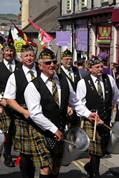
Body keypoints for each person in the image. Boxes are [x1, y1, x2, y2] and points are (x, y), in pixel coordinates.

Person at [24, 47, 100, 178]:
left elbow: (75, 102)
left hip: (60, 127)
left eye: (54, 62)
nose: (52, 65)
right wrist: (53, 129)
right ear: (40, 66)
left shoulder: (64, 81)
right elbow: (35, 114)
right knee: (45, 167)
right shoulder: (33, 86)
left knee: (56, 166)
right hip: (40, 130)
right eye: (48, 63)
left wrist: (88, 114)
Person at [76, 56, 119, 178]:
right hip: (91, 121)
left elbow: (116, 97)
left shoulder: (109, 79)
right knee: (95, 150)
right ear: (90, 69)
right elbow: (79, 104)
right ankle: (95, 174)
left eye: (102, 66)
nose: (101, 69)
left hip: (105, 119)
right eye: (97, 67)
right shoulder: (82, 83)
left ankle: (89, 167)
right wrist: (88, 115)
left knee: (103, 149)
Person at [4, 44, 40, 178]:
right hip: (23, 119)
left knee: (44, 155)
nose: (29, 58)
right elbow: (9, 99)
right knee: (26, 156)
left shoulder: (42, 72)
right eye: (26, 56)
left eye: (31, 55)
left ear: (35, 57)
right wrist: (24, 111)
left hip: (42, 118)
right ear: (21, 57)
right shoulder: (15, 76)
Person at [0, 42, 21, 167]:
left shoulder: (20, 66)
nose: (9, 53)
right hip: (4, 104)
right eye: (7, 51)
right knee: (7, 132)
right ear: (3, 52)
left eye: (11, 51)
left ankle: (22, 156)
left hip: (19, 104)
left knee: (17, 131)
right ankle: (7, 155)